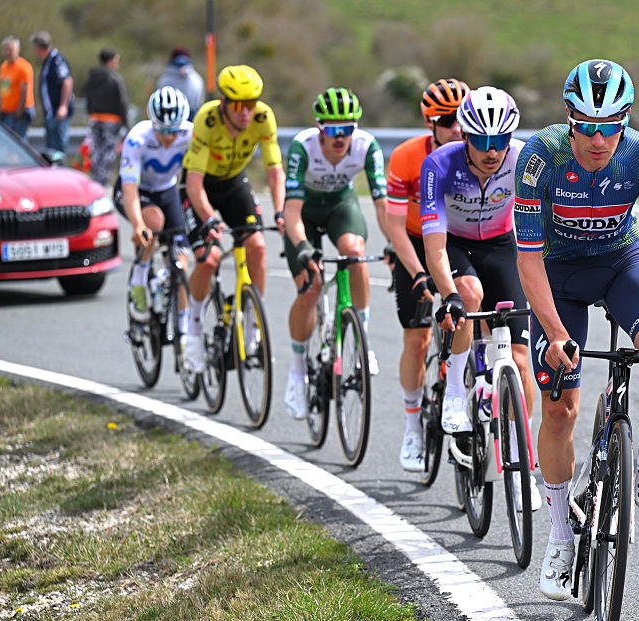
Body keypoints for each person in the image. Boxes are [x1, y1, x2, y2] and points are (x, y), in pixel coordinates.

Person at [515, 59, 639, 600]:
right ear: (570, 119)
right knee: (559, 407)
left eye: (611, 126)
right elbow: (527, 262)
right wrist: (555, 334)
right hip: (559, 274)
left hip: (622, 262)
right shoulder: (540, 158)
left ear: (624, 121)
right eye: (587, 126)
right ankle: (559, 533)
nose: (599, 139)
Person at [421, 85, 540, 509]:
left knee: (521, 361)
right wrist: (449, 294)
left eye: (501, 141)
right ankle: (455, 386)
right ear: (465, 136)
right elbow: (433, 245)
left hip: (501, 245)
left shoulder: (525, 158)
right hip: (453, 246)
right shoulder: (439, 163)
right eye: (482, 141)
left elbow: (546, 224)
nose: (493, 151)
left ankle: (520, 456)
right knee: (469, 294)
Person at [281, 87, 391, 419]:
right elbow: (291, 212)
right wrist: (302, 248)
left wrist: (392, 243)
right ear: (320, 129)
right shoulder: (303, 147)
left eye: (347, 129)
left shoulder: (366, 146)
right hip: (305, 215)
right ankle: (297, 371)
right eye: (332, 130)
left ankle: (361, 339)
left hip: (340, 206)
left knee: (354, 252)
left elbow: (382, 204)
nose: (340, 137)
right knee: (311, 286)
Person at [386, 77, 469, 472]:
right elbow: (394, 225)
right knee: (418, 340)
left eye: (462, 119)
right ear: (430, 125)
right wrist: (418, 273)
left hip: (456, 241)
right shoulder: (405, 157)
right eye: (448, 121)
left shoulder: (477, 153)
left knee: (476, 309)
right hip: (414, 243)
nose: (458, 129)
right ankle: (412, 426)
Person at [180, 65, 284, 373]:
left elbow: (274, 170)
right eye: (238, 105)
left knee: (258, 246)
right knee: (209, 258)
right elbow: (194, 183)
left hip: (233, 183)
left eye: (250, 104)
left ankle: (252, 324)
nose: (245, 112)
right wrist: (209, 218)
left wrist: (279, 211)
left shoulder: (263, 117)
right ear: (224, 102)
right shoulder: (208, 120)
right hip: (201, 187)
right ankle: (194, 328)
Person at [114, 86, 193, 323]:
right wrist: (138, 224)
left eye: (174, 131)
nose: (169, 137)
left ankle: (185, 336)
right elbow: (129, 188)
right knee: (153, 223)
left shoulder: (191, 134)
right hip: (136, 191)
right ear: (152, 123)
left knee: (181, 262)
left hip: (166, 190)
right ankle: (139, 281)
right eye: (163, 131)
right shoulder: (138, 138)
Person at [84, 47, 130, 186]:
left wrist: (92, 113)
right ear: (110, 61)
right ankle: (103, 183)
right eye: (116, 60)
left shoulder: (92, 77)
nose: (117, 64)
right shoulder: (115, 78)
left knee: (97, 151)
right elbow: (123, 101)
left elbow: (87, 96)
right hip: (112, 120)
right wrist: (126, 123)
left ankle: (95, 180)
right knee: (108, 153)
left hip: (95, 118)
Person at [31, 30, 73, 153]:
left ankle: (61, 171)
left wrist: (63, 106)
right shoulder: (48, 62)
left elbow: (67, 81)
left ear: (39, 47)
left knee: (58, 148)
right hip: (50, 113)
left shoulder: (57, 60)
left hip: (58, 112)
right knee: (50, 149)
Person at [0, 36, 34, 138]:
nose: (8, 52)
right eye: (6, 50)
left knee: (18, 142)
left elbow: (24, 91)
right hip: (6, 111)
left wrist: (19, 111)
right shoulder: (4, 66)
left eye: (11, 50)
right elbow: (5, 89)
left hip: (19, 112)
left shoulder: (23, 67)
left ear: (18, 50)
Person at [156, 46, 204, 120]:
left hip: (169, 117)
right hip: (192, 117)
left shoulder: (164, 79)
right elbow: (198, 101)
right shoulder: (196, 79)